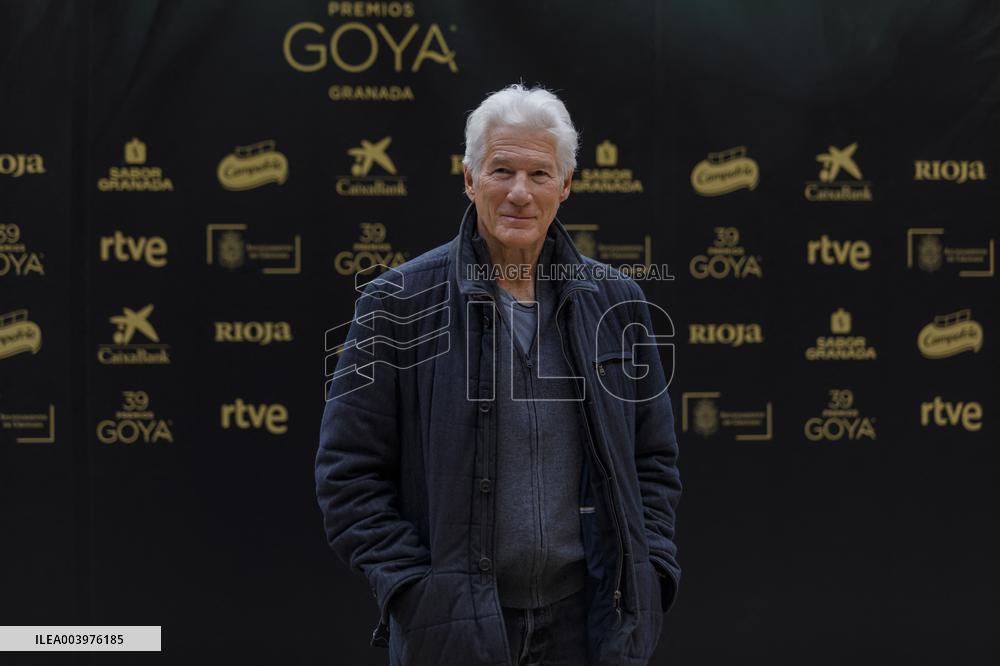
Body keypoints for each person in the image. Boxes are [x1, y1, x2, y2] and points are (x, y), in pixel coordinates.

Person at [316, 83, 681, 666]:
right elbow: (347, 475)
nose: (519, 193)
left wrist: (648, 573)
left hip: (588, 630)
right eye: (501, 170)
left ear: (566, 186)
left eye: (539, 174)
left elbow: (654, 460)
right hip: (454, 631)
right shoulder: (397, 302)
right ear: (469, 179)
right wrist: (420, 594)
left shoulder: (619, 303)